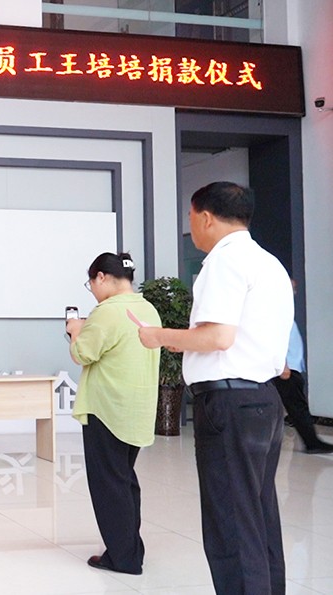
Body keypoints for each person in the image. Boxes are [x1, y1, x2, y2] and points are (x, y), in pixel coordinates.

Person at [139, 181, 293, 594]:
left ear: (205, 217)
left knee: (232, 523)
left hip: (230, 403)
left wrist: (158, 336)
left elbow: (219, 337)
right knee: (258, 514)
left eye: (191, 217)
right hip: (263, 399)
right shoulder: (270, 264)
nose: (191, 226)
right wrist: (186, 341)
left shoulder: (224, 262)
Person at [66, 252, 160, 576]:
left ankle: (123, 558)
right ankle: (131, 549)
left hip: (107, 409)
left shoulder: (106, 312)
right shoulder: (147, 309)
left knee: (109, 486)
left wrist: (75, 330)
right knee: (124, 481)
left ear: (102, 277)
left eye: (91, 282)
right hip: (136, 408)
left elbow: (83, 354)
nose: (92, 289)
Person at [273, 282, 333, 454]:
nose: (294, 291)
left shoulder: (283, 309)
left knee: (296, 407)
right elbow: (275, 338)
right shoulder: (276, 311)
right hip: (286, 368)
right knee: (297, 407)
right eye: (291, 288)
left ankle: (312, 442)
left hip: (291, 366)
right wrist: (283, 364)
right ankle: (312, 443)